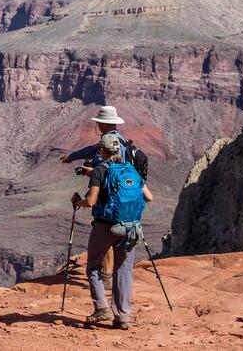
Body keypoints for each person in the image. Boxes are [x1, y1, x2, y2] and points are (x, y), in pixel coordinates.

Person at [71, 134, 153, 330]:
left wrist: (77, 202)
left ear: (101, 151)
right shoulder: (131, 169)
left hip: (105, 226)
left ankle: (101, 308)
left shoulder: (100, 171)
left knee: (93, 267)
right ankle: (122, 317)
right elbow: (149, 197)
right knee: (123, 271)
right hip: (129, 227)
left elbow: (90, 201)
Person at [60, 105, 129, 289]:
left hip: (107, 199)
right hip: (121, 199)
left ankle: (105, 278)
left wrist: (90, 172)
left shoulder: (109, 143)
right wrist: (73, 156)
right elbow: (92, 150)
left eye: (99, 121)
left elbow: (107, 173)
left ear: (102, 123)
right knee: (114, 236)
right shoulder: (119, 141)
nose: (97, 124)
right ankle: (112, 278)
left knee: (105, 234)